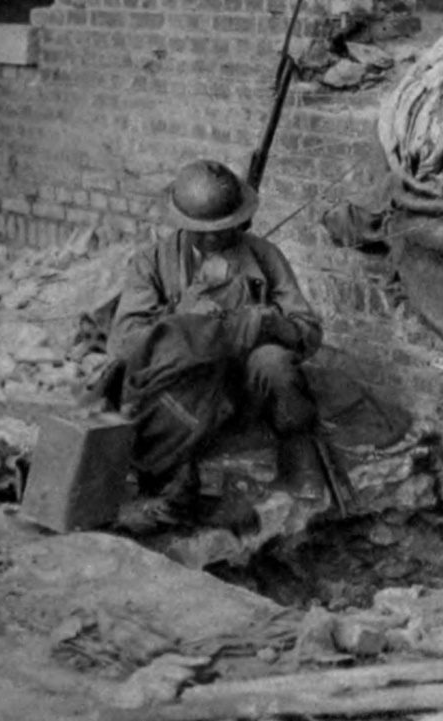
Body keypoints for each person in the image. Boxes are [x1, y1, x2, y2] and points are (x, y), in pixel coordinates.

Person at [106, 159, 327, 523]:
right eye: (202, 231)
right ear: (182, 223)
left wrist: (270, 323)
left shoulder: (263, 256)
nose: (213, 239)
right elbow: (126, 344)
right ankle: (174, 478)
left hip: (245, 388)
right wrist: (189, 321)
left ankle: (298, 456)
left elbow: (307, 330)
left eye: (223, 229)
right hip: (187, 390)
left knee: (275, 363)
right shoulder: (152, 263)